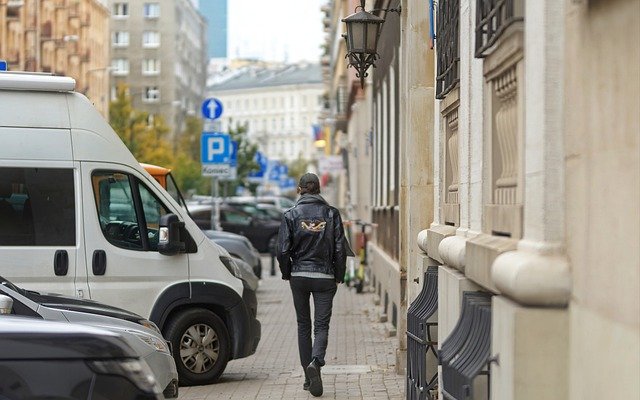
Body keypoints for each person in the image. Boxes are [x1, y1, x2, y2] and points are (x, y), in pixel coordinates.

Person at [276, 173, 347, 397]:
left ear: (299, 190)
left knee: (303, 325)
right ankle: (316, 362)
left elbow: (283, 250)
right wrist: (339, 275)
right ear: (318, 189)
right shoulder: (332, 214)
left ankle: (308, 379)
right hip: (325, 277)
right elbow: (340, 249)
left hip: (299, 276)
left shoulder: (290, 214)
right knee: (321, 326)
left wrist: (287, 273)